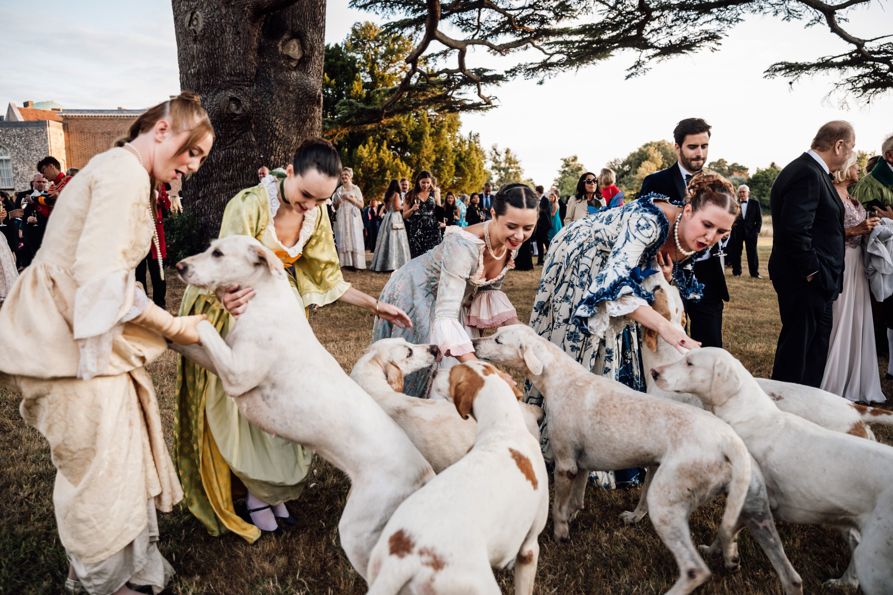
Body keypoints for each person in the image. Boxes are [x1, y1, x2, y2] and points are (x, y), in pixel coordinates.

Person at [0, 92, 213, 595]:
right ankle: (103, 580)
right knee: (98, 463)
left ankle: (120, 572)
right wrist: (176, 327)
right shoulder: (121, 173)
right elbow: (103, 279)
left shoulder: (122, 171)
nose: (192, 167)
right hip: (66, 338)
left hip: (74, 329)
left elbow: (102, 276)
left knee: (115, 453)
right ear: (162, 130)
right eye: (192, 152)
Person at [176, 140, 411, 541]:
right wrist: (226, 300)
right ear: (290, 171)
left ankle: (272, 490)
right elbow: (225, 265)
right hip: (225, 306)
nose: (309, 207)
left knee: (283, 410)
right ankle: (252, 496)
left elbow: (327, 278)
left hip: (278, 318)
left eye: (320, 201)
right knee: (241, 408)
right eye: (305, 195)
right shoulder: (249, 204)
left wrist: (375, 305)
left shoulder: (316, 218)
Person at [530, 173, 736, 487]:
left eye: (722, 231)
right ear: (690, 210)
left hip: (618, 269)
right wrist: (665, 326)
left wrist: (665, 273)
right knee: (576, 342)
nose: (711, 237)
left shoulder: (692, 233)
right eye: (708, 225)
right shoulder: (647, 222)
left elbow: (657, 270)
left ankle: (600, 447)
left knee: (613, 344)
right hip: (583, 256)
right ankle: (551, 442)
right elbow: (610, 286)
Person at [374, 183, 539, 395]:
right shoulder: (463, 245)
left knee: (458, 370)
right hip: (418, 290)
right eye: (512, 226)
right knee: (422, 369)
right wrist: (488, 373)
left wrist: (526, 337)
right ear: (493, 214)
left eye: (528, 228)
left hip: (454, 300)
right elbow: (446, 316)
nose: (519, 236)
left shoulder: (511, 247)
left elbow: (489, 293)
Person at [769, 120, 852, 387]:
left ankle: (802, 408)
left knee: (812, 353)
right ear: (838, 145)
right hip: (806, 282)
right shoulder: (807, 173)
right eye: (851, 147)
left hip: (813, 283)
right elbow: (796, 230)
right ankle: (787, 410)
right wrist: (813, 272)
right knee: (798, 356)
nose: (851, 154)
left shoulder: (810, 170)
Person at [641, 118, 728, 348]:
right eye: (693, 147)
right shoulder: (656, 182)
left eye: (704, 146)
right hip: (670, 274)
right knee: (673, 348)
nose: (699, 153)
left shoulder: (718, 184)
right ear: (677, 147)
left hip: (708, 277)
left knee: (711, 348)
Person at [821, 155, 885, 403]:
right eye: (856, 164)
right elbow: (826, 232)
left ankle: (859, 381)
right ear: (845, 169)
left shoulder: (852, 195)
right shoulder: (833, 195)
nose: (859, 168)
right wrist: (857, 229)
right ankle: (835, 379)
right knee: (841, 316)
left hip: (858, 261)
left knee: (859, 317)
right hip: (843, 261)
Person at [852, 133, 893, 369]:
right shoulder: (869, 185)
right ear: (889, 155)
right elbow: (864, 222)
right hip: (882, 258)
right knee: (883, 305)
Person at [135, 183, 171, 308]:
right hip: (139, 238)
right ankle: (141, 306)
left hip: (156, 239)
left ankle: (160, 305)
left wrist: (160, 197)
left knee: (158, 273)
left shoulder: (158, 185)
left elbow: (167, 206)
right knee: (139, 274)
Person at [371, 180, 412, 272]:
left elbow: (386, 207)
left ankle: (383, 263)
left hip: (388, 216)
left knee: (386, 239)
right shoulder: (396, 194)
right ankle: (394, 263)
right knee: (396, 239)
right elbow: (397, 207)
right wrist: (405, 207)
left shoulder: (387, 195)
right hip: (395, 216)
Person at [332, 167, 366, 270]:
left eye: (346, 175)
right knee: (344, 237)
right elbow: (335, 206)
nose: (344, 177)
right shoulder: (339, 190)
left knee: (354, 237)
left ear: (350, 176)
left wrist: (350, 199)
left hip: (353, 217)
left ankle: (357, 264)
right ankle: (346, 263)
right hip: (342, 216)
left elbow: (361, 205)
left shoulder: (356, 189)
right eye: (342, 175)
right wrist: (338, 202)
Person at [726, 184, 763, 278]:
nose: (742, 193)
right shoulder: (734, 204)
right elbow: (729, 218)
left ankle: (754, 274)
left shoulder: (755, 203)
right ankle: (736, 273)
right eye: (740, 192)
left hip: (751, 233)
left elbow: (759, 219)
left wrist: (756, 231)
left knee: (752, 253)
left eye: (744, 192)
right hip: (737, 233)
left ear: (748, 193)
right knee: (736, 253)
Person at [403, 171, 442, 258]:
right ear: (418, 182)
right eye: (423, 182)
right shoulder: (410, 195)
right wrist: (412, 209)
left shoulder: (435, 193)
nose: (425, 185)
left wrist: (442, 222)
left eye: (428, 182)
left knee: (434, 257)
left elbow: (439, 211)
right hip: (417, 230)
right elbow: (404, 215)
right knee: (418, 257)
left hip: (433, 229)